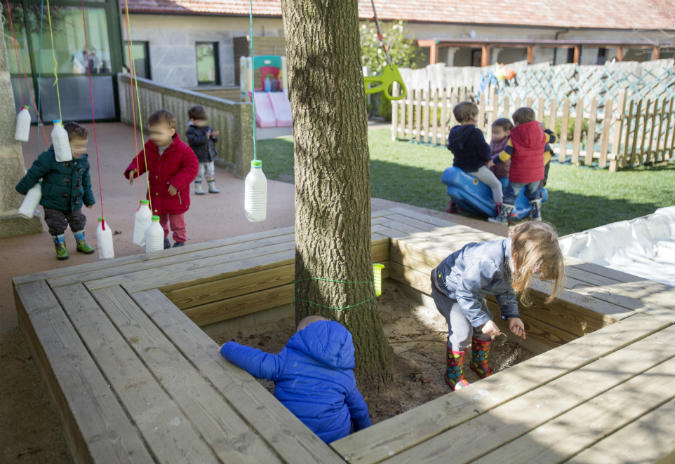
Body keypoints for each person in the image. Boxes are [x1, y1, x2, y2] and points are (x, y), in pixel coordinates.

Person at [431, 221, 566, 390]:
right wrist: (482, 321)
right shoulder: (488, 262)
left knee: (486, 324)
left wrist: (512, 315)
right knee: (462, 331)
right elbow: (464, 292)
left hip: (471, 290)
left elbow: (505, 289)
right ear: (521, 255)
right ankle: (453, 375)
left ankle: (478, 363)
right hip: (448, 289)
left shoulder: (513, 258)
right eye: (536, 267)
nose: (536, 271)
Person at [220, 315, 371, 443]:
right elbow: (360, 410)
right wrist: (365, 432)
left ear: (302, 336)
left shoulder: (286, 361)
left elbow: (256, 361)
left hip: (293, 437)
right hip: (335, 438)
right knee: (347, 419)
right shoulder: (345, 376)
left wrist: (228, 347)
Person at [16, 122, 96, 260]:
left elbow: (86, 181)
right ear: (63, 143)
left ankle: (81, 242)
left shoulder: (83, 161)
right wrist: (22, 188)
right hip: (53, 201)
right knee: (56, 224)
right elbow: (34, 173)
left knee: (78, 220)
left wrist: (89, 199)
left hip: (74, 200)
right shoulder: (49, 157)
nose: (81, 150)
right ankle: (60, 245)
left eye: (84, 145)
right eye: (77, 146)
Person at [124, 110, 199, 249]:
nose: (154, 137)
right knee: (158, 220)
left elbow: (192, 167)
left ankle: (180, 240)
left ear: (171, 131)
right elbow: (141, 160)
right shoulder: (150, 147)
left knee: (177, 222)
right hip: (156, 193)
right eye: (152, 132)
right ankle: (161, 237)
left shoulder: (183, 150)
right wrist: (134, 169)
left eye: (158, 133)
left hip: (175, 195)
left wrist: (177, 183)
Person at [490, 107, 556, 224]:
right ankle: (537, 216)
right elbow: (553, 138)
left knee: (510, 195)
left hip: (519, 174)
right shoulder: (541, 135)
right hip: (536, 174)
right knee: (534, 194)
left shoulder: (514, 137)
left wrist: (494, 161)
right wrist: (546, 130)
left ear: (516, 123)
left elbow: (505, 155)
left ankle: (503, 218)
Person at [447, 101, 503, 212]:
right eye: (476, 114)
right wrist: (488, 160)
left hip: (458, 166)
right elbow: (483, 150)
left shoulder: (454, 131)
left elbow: (451, 147)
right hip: (474, 167)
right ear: (472, 116)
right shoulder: (475, 132)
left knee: (460, 185)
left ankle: (452, 205)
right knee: (496, 184)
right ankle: (500, 210)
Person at [186, 105, 220, 195]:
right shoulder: (191, 130)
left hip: (209, 155)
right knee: (199, 172)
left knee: (210, 171)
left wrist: (214, 137)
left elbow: (213, 141)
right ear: (192, 120)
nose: (202, 123)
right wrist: (205, 137)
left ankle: (211, 186)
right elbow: (194, 141)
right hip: (198, 156)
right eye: (200, 121)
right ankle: (198, 187)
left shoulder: (208, 128)